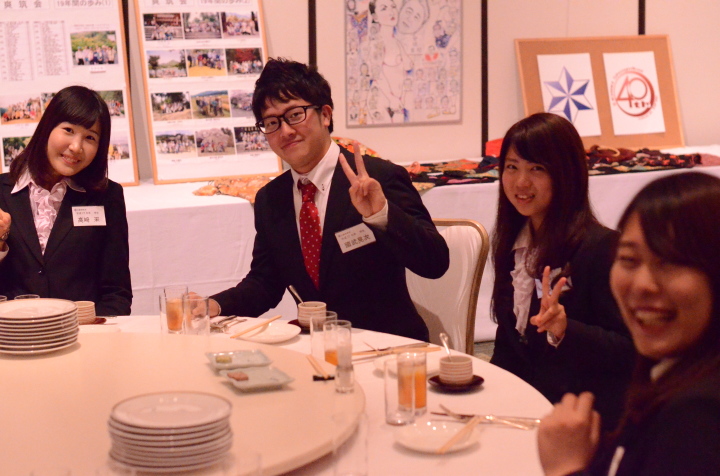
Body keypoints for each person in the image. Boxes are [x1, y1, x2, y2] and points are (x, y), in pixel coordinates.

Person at [205, 58, 449, 341]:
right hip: (317, 347)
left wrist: (381, 214)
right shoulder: (271, 199)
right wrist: (215, 306)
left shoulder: (377, 178)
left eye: (295, 114)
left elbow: (435, 263)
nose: (285, 131)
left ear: (325, 115)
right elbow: (265, 283)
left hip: (388, 347)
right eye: (271, 122)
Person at [538, 172, 720, 476]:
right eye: (629, 260)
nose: (642, 284)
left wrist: (566, 467)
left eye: (671, 262)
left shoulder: (698, 417)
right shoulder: (668, 374)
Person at [489, 113, 634, 429]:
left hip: (580, 417)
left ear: (566, 174)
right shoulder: (512, 243)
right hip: (521, 410)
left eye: (537, 169)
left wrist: (567, 329)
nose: (521, 182)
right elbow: (510, 342)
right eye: (512, 167)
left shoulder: (601, 247)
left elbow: (629, 350)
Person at [0, 85, 132, 316]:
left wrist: (95, 331)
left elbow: (116, 292)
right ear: (47, 127)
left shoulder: (107, 196)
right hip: (13, 331)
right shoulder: (1, 192)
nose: (76, 147)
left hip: (83, 333)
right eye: (68, 130)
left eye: (90, 137)